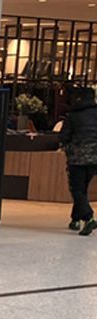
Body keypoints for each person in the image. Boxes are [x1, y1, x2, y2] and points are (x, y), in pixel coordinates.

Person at [58, 86, 97, 236]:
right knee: (82, 189)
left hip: (78, 158)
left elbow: (63, 137)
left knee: (77, 189)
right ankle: (75, 220)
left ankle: (89, 217)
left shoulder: (73, 116)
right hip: (95, 158)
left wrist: (68, 148)